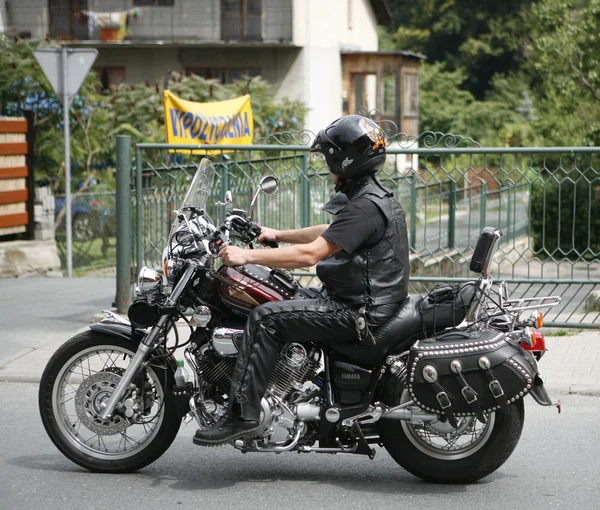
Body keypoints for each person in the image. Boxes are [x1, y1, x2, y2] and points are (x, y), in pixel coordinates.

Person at [193, 115, 410, 446]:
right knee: (282, 294)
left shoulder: (364, 206)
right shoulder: (372, 197)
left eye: (329, 157)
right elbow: (330, 232)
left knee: (265, 319)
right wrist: (276, 234)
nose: (327, 166)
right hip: (362, 300)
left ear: (346, 159)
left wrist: (246, 255)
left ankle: (242, 415)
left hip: (357, 310)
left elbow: (311, 255)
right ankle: (284, 385)